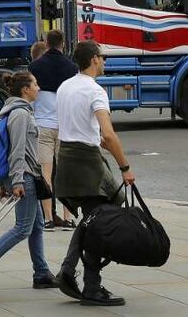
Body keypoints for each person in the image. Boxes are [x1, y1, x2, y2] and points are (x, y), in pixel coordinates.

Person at [54, 40, 135, 307]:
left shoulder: (66, 86)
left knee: (93, 218)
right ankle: (91, 287)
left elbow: (70, 123)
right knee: (101, 219)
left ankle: (69, 270)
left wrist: (89, 136)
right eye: (103, 57)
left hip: (66, 156)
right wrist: (125, 168)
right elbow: (109, 135)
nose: (105, 61)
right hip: (87, 161)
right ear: (94, 60)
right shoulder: (95, 91)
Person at [0, 71, 59, 294]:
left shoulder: (17, 112)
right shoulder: (20, 114)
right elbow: (15, 151)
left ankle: (41, 272)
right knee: (23, 228)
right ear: (25, 90)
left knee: (36, 226)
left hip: (26, 176)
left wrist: (4, 183)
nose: (38, 87)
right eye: (35, 84)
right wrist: (14, 182)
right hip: (24, 177)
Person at [27, 29, 77, 232]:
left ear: (46, 44)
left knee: (45, 173)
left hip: (43, 126)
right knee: (65, 173)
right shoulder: (72, 67)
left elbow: (32, 94)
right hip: (65, 127)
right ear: (62, 44)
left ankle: (47, 218)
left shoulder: (35, 66)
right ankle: (68, 218)